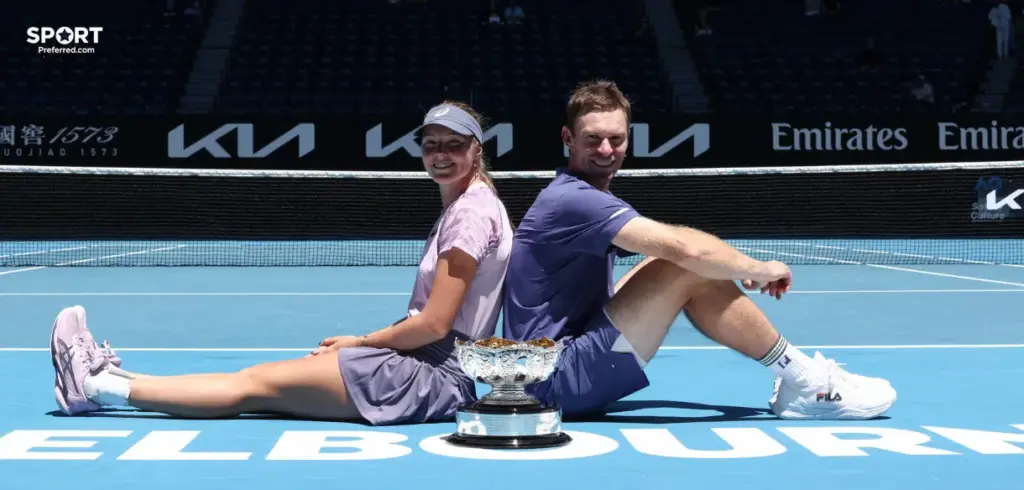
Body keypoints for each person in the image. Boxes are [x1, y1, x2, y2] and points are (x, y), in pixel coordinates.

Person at [49, 102, 514, 425]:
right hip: (424, 362)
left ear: (477, 149)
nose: (440, 154)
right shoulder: (469, 205)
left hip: (429, 374)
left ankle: (93, 385)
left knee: (253, 385)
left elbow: (434, 325)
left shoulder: (471, 214)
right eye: (431, 144)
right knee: (261, 384)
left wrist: (360, 341)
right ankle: (111, 381)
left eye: (453, 144)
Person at [501, 80, 897, 420]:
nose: (606, 149)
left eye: (616, 138)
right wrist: (755, 267)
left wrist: (725, 267)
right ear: (568, 139)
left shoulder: (579, 195)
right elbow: (684, 250)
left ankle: (799, 379)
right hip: (554, 381)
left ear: (628, 140)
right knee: (684, 265)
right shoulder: (572, 200)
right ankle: (806, 383)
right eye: (592, 139)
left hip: (557, 365)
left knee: (670, 264)